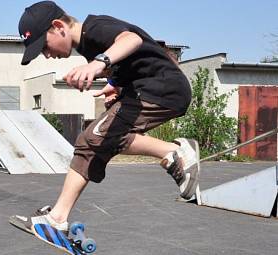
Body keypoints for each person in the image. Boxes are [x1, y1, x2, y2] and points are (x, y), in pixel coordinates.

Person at [15, 1, 199, 231]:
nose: (46, 54)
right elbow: (133, 63)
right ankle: (58, 215)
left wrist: (96, 65)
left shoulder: (94, 28)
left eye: (44, 45)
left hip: (162, 89)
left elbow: (132, 40)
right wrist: (114, 84)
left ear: (58, 26)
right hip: (151, 89)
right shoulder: (87, 45)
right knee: (97, 140)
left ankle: (174, 153)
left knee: (94, 137)